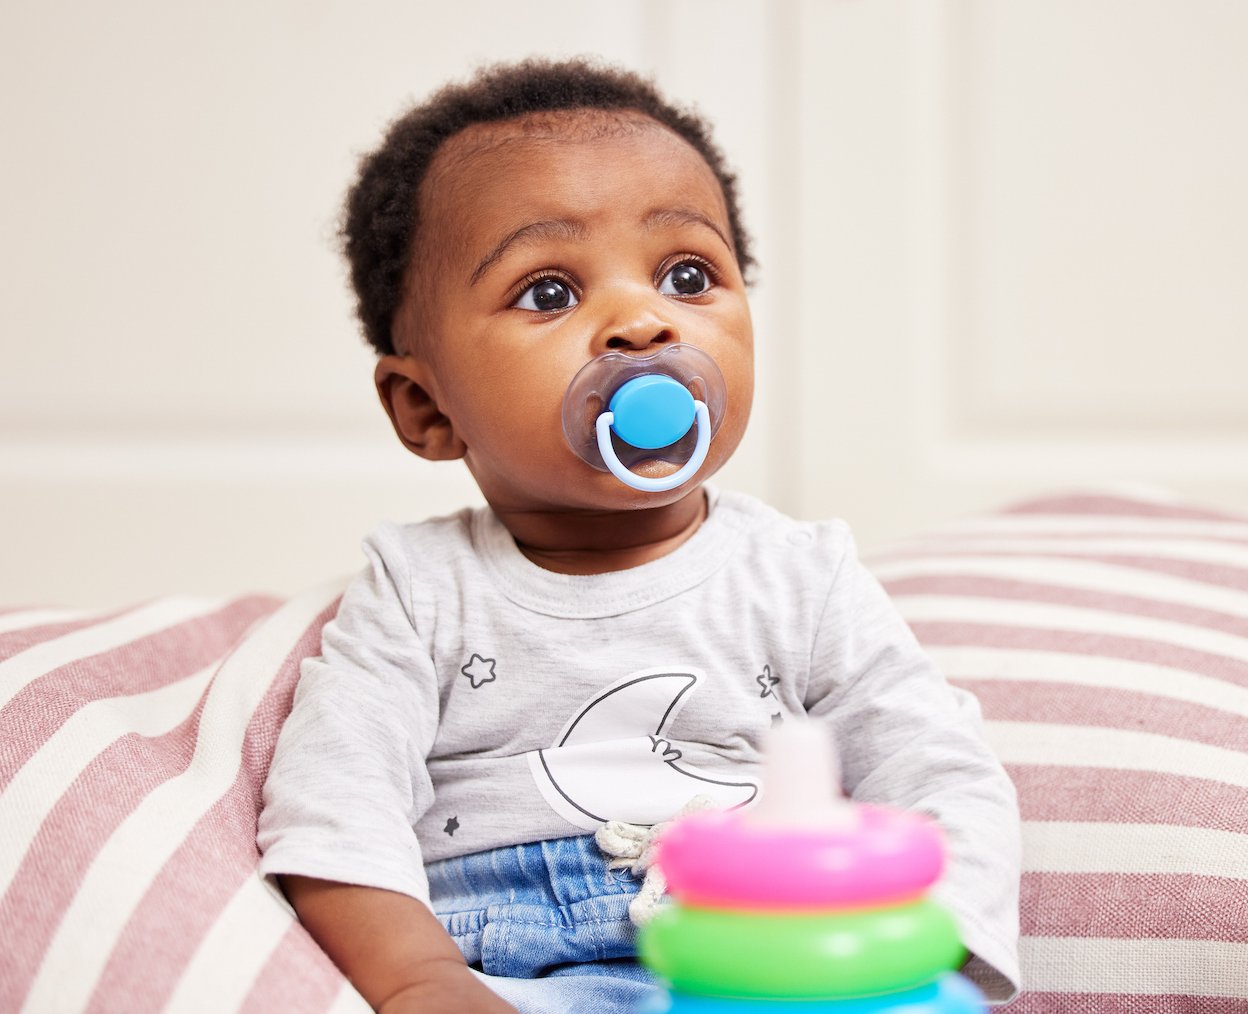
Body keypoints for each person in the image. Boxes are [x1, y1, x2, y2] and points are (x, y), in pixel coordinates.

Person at [257, 57, 1022, 1014]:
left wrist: (910, 950)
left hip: (762, 956)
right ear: (425, 406)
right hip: (513, 971)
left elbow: (937, 769)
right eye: (548, 292)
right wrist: (419, 983)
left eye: (687, 274)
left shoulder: (798, 576)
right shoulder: (418, 591)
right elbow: (335, 801)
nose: (641, 321)